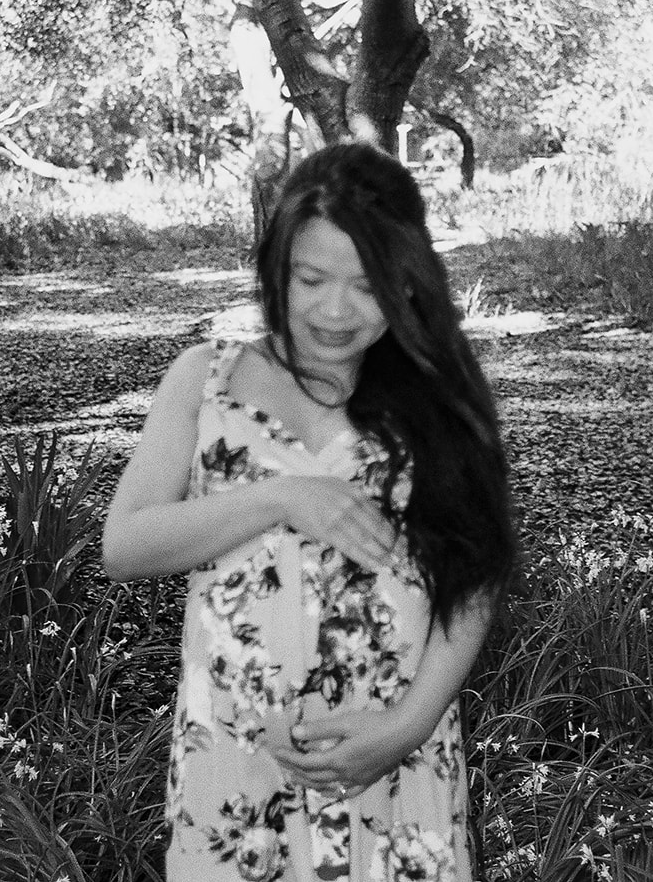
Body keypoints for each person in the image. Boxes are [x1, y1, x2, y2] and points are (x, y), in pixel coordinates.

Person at [102, 141, 516, 882]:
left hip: (393, 761)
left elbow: (476, 572)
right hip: (237, 766)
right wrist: (283, 496)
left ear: (406, 282)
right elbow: (125, 545)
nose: (334, 309)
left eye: (366, 285)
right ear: (276, 270)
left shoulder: (436, 395)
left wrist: (405, 726)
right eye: (312, 277)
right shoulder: (205, 379)